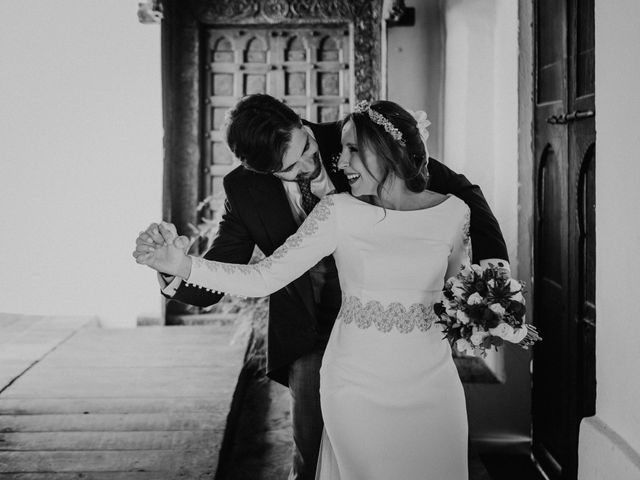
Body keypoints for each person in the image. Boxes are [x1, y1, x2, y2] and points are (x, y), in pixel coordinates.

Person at [134, 95, 509, 480]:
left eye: (307, 150)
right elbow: (244, 275)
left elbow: (459, 202)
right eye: (290, 168)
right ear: (261, 172)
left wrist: (493, 285)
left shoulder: (360, 139)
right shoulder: (250, 192)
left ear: (302, 125)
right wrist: (175, 268)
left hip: (420, 360)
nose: (310, 165)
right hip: (317, 333)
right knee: (315, 455)